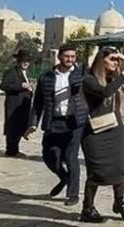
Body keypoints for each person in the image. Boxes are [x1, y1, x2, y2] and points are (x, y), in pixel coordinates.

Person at [79, 48, 124, 223]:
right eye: (112, 59)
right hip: (96, 132)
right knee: (97, 171)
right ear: (101, 60)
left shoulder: (116, 79)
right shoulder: (89, 79)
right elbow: (105, 92)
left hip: (115, 130)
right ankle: (87, 208)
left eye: (116, 60)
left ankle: (119, 202)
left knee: (120, 169)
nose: (115, 63)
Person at [25, 44, 88, 205]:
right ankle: (64, 177)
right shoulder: (47, 76)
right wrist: (33, 124)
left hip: (75, 122)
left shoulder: (82, 74)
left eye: (73, 57)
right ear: (60, 57)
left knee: (71, 156)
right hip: (54, 121)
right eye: (67, 56)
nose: (70, 59)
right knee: (49, 155)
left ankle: (73, 194)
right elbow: (38, 103)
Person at [0, 49, 33, 157]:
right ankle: (11, 151)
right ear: (19, 61)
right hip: (14, 105)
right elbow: (3, 86)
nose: (26, 63)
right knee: (12, 128)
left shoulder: (25, 73)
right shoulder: (11, 72)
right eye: (24, 61)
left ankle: (15, 150)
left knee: (20, 128)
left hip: (22, 106)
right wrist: (21, 86)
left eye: (28, 61)